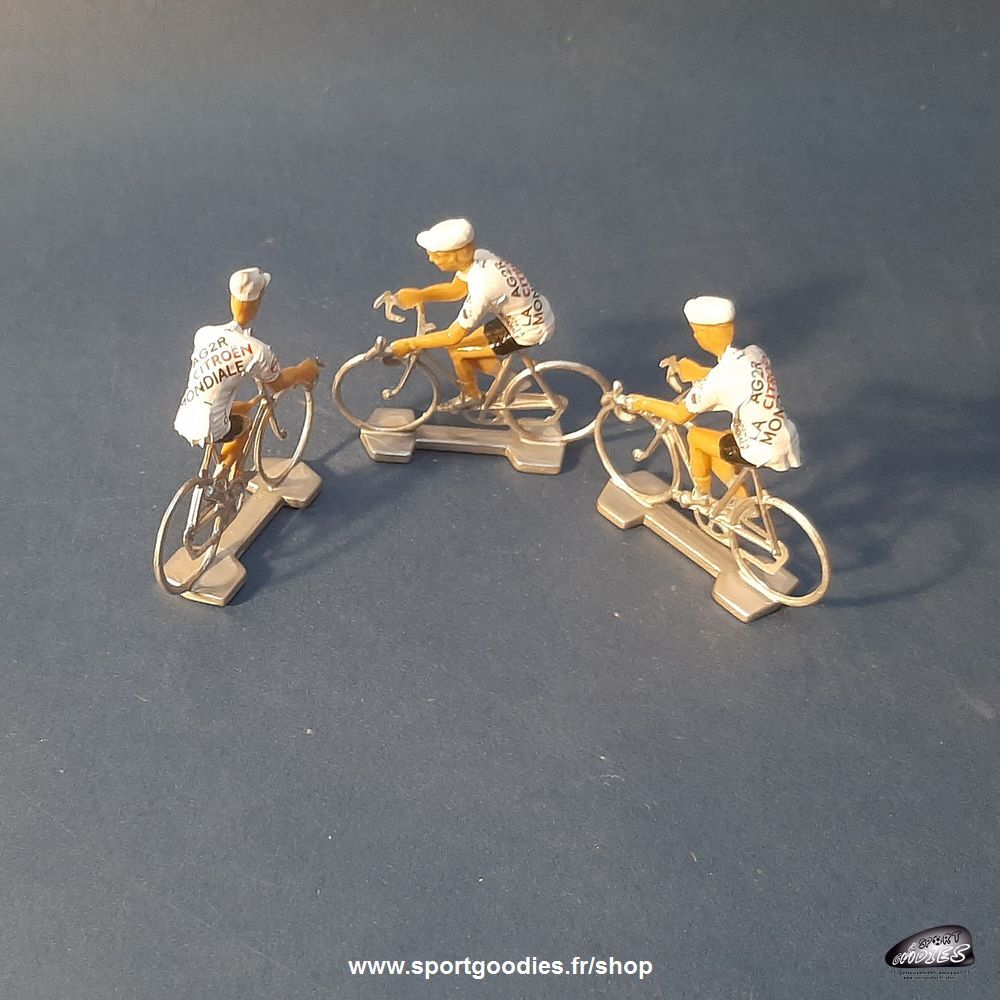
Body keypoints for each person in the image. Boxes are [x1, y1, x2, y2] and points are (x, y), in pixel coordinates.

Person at [624, 296, 801, 503]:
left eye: (696, 331)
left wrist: (642, 403)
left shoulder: (719, 380)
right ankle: (740, 497)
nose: (695, 336)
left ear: (705, 335)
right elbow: (731, 379)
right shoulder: (754, 353)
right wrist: (694, 372)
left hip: (759, 448)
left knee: (696, 437)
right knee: (720, 440)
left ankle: (701, 496)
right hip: (782, 435)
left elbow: (679, 415)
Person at [387, 218, 555, 409]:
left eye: (436, 256)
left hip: (526, 329)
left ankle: (471, 396)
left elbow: (452, 335)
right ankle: (508, 379)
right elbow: (456, 290)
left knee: (458, 353)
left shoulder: (482, 287)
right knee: (461, 348)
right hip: (522, 317)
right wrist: (420, 295)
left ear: (454, 256)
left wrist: (409, 344)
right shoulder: (479, 257)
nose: (431, 260)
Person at [173, 268, 320, 475]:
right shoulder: (256, 350)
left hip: (185, 416)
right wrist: (303, 370)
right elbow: (277, 384)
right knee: (245, 425)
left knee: (238, 408)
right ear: (258, 302)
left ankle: (226, 468)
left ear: (231, 298)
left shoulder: (204, 334)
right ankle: (226, 470)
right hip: (212, 425)